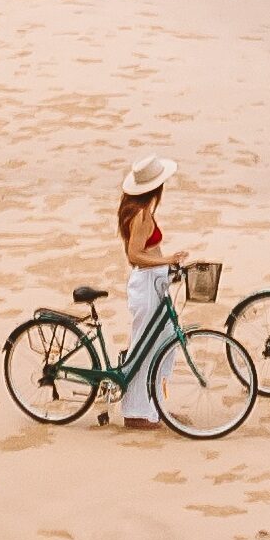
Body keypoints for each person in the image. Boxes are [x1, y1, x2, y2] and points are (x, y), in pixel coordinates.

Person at [115, 154, 184, 430]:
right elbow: (135, 255)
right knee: (145, 348)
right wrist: (167, 261)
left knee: (159, 341)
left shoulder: (137, 210)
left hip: (151, 281)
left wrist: (165, 268)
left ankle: (151, 407)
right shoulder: (142, 215)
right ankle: (135, 412)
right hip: (146, 283)